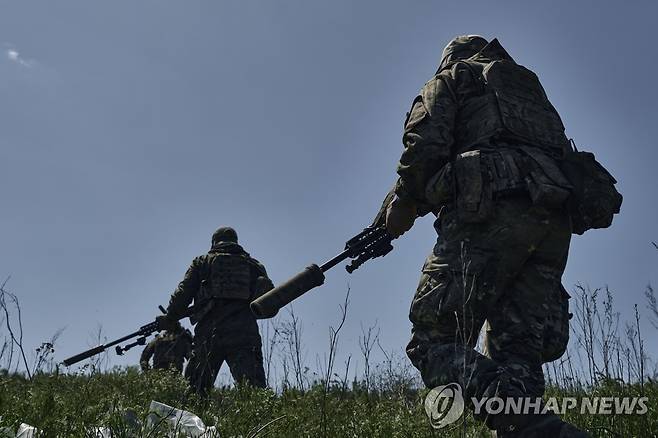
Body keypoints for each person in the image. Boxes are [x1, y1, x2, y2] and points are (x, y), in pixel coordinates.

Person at [384, 35, 591, 437]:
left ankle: (526, 422)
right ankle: (534, 430)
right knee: (520, 351)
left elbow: (425, 145)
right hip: (552, 218)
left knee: (432, 341)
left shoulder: (454, 77)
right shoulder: (528, 91)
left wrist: (406, 199)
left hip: (489, 213)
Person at [157, 227, 273, 395]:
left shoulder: (202, 262)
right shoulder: (254, 265)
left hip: (209, 332)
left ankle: (192, 421)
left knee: (195, 392)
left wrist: (170, 317)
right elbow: (268, 299)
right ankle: (261, 421)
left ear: (214, 242)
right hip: (244, 332)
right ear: (236, 241)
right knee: (254, 391)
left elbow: (183, 294)